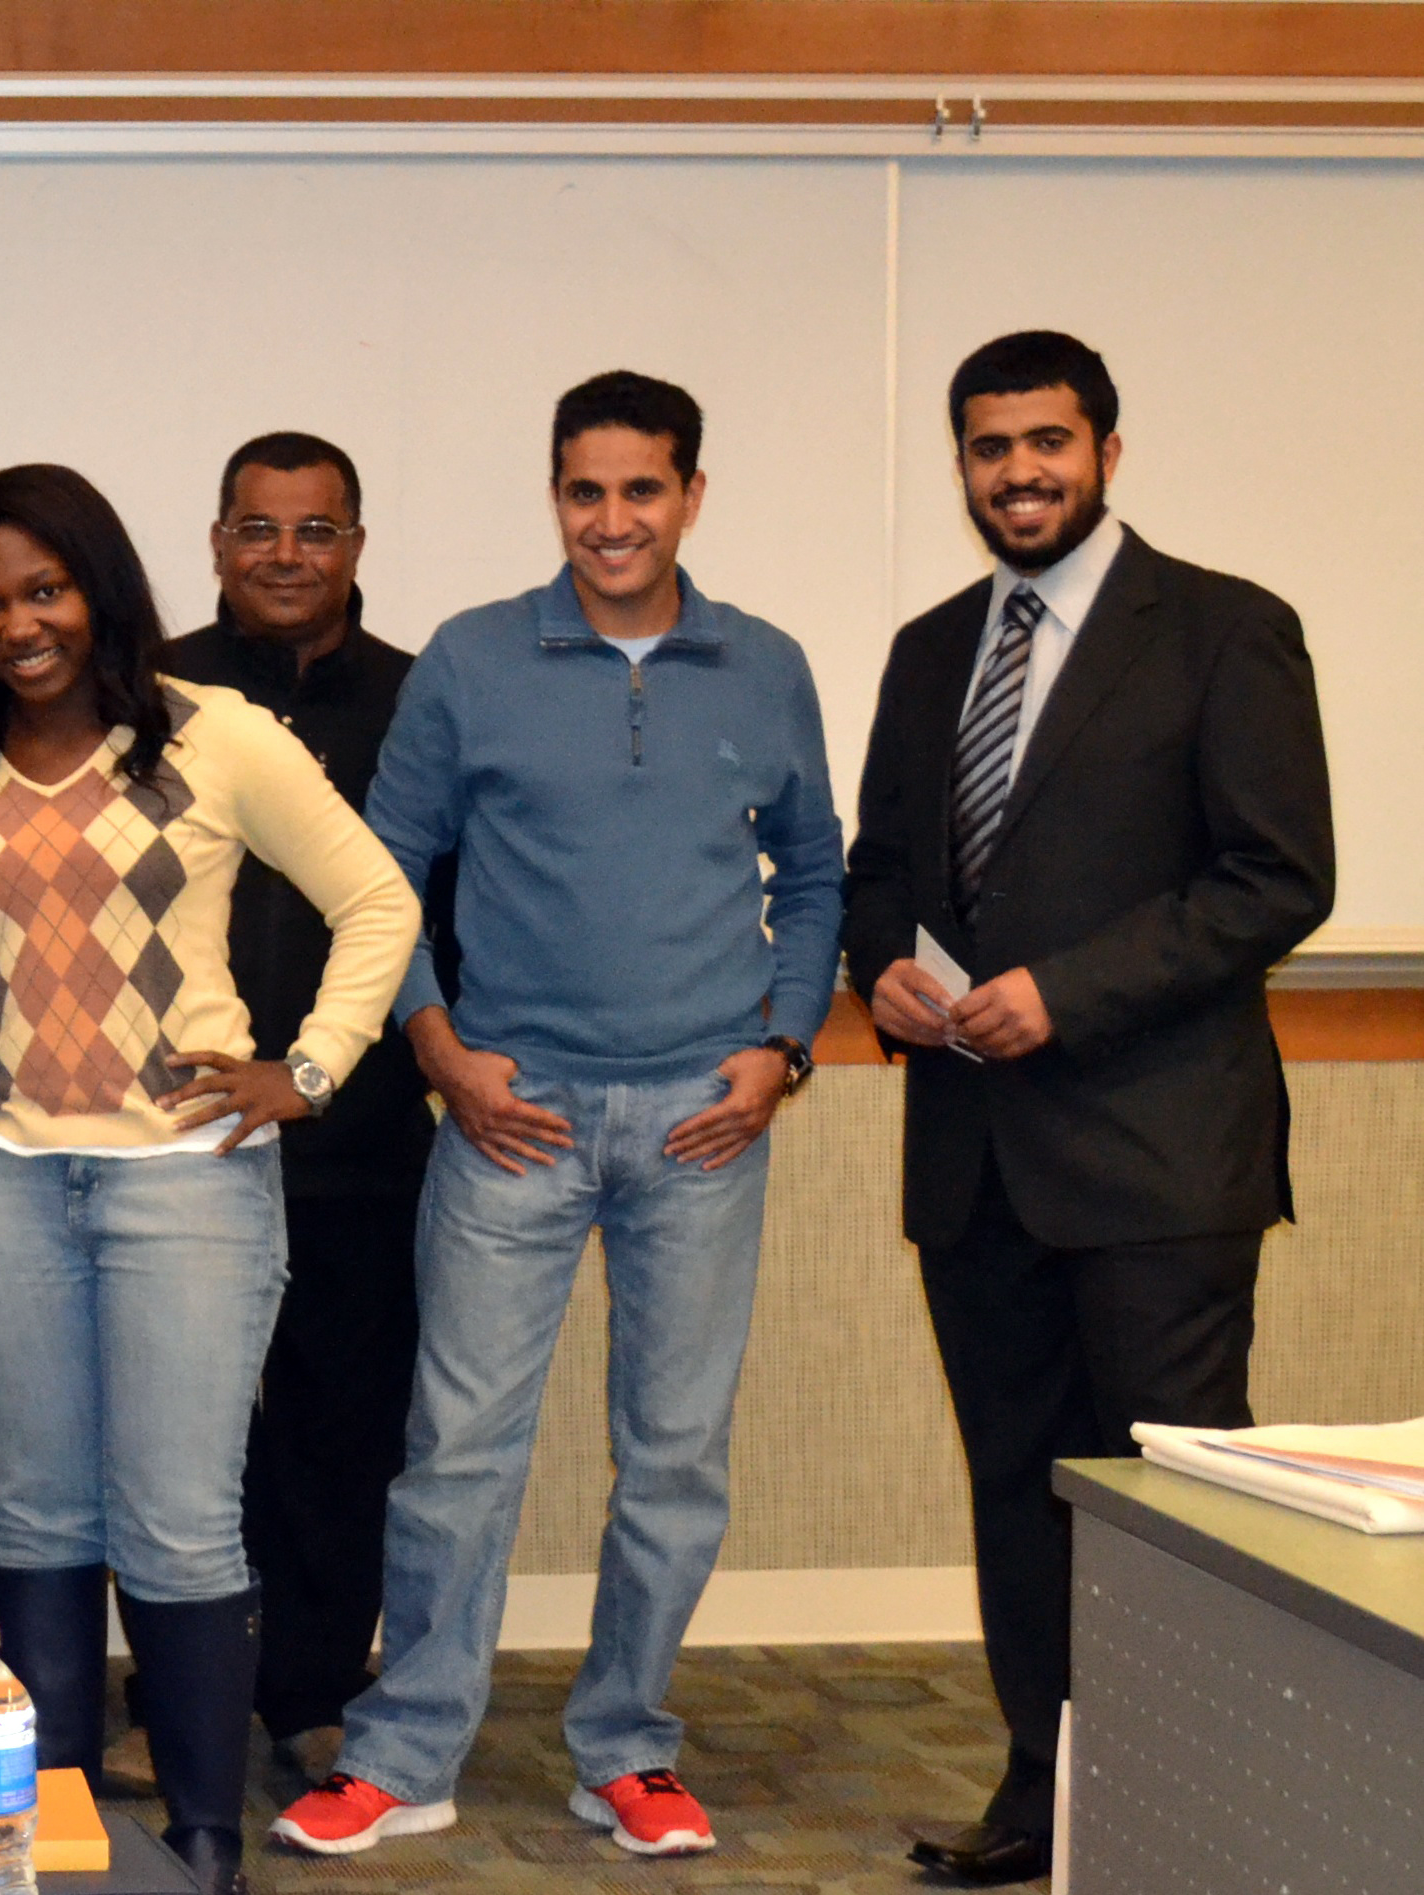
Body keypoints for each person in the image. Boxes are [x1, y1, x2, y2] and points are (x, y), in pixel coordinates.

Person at [278, 373, 843, 1864]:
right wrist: (436, 1046)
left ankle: (626, 1747)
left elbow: (814, 875)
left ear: (689, 496)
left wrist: (781, 1047)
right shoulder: (470, 659)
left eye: (639, 489)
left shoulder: (765, 664)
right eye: (582, 491)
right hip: (507, 1112)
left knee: (673, 1455)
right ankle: (402, 1751)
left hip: (701, 1118)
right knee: (454, 1450)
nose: (610, 520)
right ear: (554, 498)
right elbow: (379, 873)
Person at [849, 333, 1331, 1889]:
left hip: (1155, 1160)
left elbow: (1274, 877)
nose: (1017, 473)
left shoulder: (1221, 628)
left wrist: (1064, 991)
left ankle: (1197, 1808)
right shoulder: (928, 647)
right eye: (987, 447)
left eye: (1045, 442)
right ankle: (1044, 1790)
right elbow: (878, 869)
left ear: (1105, 452)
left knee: (1174, 1503)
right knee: (1017, 1487)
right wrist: (878, 967)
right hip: (973, 1160)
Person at [0, 464, 419, 1895]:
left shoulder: (213, 732)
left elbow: (376, 900)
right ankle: (56, 1832)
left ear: (100, 585)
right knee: (35, 1517)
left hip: (185, 1185)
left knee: (179, 1522)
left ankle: (201, 1842)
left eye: (44, 589)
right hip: (10, 1179)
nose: (19, 624)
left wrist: (306, 1068)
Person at [154, 432, 437, 1784]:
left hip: (357, 1130)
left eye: (313, 529)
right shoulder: (147, 690)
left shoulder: (418, 699)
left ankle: (313, 1686)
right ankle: (181, 1688)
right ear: (216, 541)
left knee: (341, 1427)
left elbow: (438, 898)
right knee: (186, 1440)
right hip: (178, 1131)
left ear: (355, 544)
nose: (283, 554)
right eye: (256, 528)